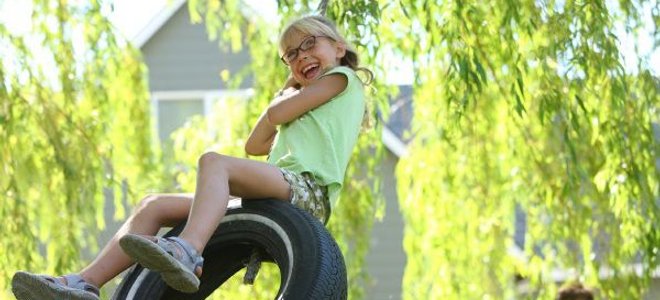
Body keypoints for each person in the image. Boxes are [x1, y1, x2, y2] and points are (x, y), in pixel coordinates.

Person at [11, 14, 373, 299]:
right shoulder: (306, 106)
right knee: (154, 205)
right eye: (291, 54)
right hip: (276, 189)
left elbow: (274, 118)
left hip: (306, 191)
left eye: (309, 44)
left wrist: (282, 98)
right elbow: (255, 143)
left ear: (339, 47)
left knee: (214, 163)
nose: (301, 56)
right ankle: (84, 283)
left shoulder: (342, 79)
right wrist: (285, 98)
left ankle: (188, 250)